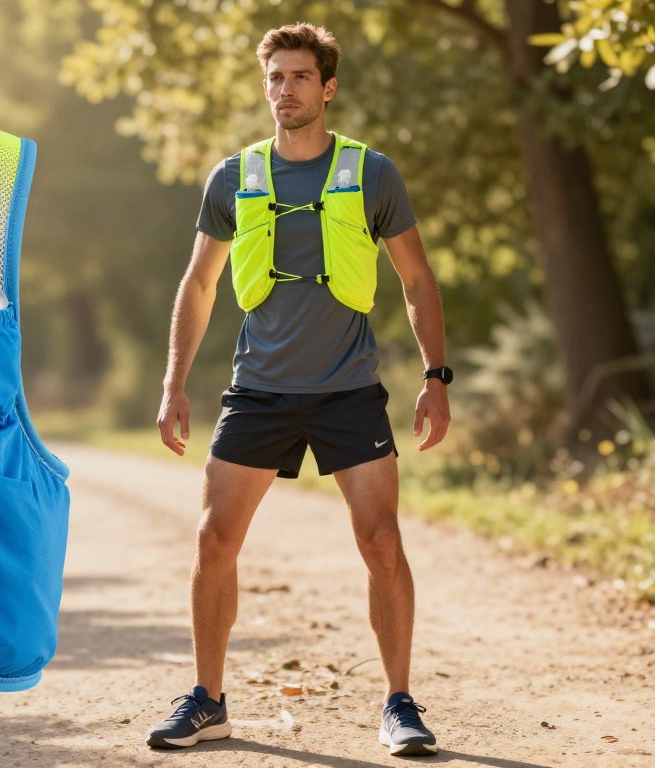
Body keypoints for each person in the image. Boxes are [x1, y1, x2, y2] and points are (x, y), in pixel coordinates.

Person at [147, 22, 451, 758]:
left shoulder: (372, 172)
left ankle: (399, 703)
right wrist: (174, 384)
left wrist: (436, 377)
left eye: (299, 77)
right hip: (259, 389)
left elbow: (416, 279)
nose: (285, 90)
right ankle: (208, 701)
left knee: (381, 542)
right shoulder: (235, 177)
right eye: (275, 77)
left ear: (328, 86)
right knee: (215, 539)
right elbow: (198, 284)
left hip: (349, 389)